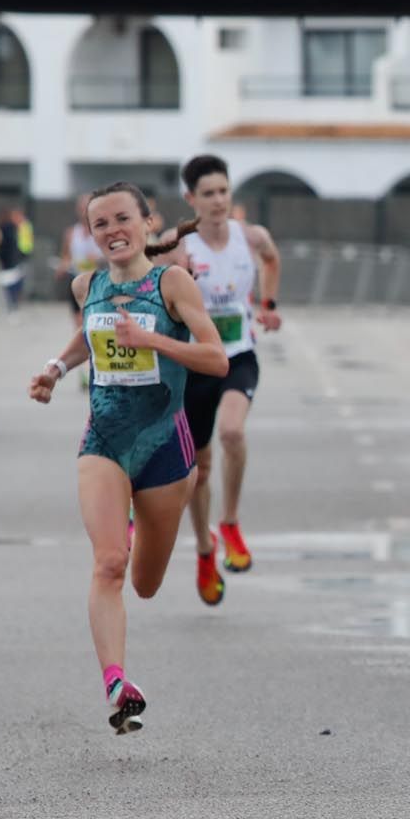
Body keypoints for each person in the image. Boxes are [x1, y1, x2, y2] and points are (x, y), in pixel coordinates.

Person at [26, 183, 228, 731]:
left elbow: (215, 359)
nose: (112, 230)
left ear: (146, 223)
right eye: (100, 224)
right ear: (89, 235)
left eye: (122, 219)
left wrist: (153, 340)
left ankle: (139, 525)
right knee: (109, 563)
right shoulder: (85, 285)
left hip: (165, 446)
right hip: (105, 441)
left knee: (144, 583)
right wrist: (55, 369)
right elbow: (87, 338)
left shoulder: (172, 283)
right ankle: (116, 681)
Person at [177, 154, 282, 604]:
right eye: (209, 194)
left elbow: (271, 259)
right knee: (199, 470)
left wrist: (268, 305)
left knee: (233, 432)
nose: (219, 201)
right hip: (198, 363)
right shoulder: (177, 245)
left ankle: (231, 522)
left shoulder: (251, 236)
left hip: (238, 355)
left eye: (224, 191)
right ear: (191, 199)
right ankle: (204, 550)